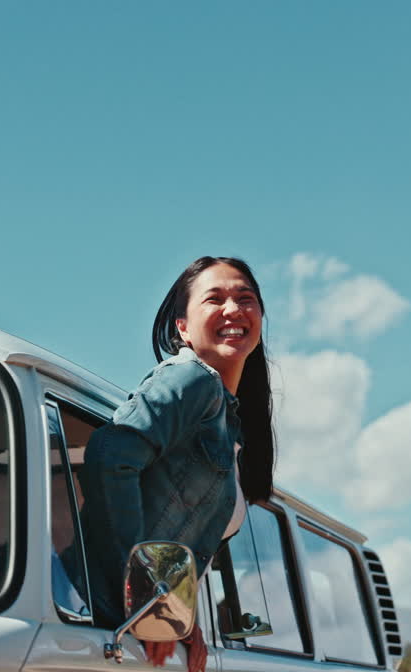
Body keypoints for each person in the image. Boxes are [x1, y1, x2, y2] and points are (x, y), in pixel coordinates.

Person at [73, 256, 276, 672]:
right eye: (214, 299)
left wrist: (182, 615)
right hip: (99, 626)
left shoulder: (228, 420)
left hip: (126, 637)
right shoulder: (192, 380)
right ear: (182, 327)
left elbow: (178, 533)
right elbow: (110, 457)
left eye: (245, 298)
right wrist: (153, 599)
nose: (233, 309)